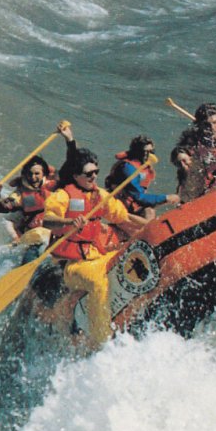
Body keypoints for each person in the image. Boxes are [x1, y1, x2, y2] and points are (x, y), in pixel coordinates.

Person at [43, 147, 146, 348]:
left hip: (95, 257)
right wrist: (68, 222)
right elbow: (47, 221)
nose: (94, 176)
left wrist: (150, 226)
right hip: (72, 265)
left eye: (96, 172)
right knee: (98, 282)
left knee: (125, 256)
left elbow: (124, 217)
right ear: (75, 176)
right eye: (89, 174)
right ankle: (102, 340)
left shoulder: (101, 195)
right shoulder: (63, 196)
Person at [0, 155, 57, 263]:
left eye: (37, 174)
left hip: (55, 233)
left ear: (44, 174)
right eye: (30, 174)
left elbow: (73, 169)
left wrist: (70, 141)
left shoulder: (54, 185)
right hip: (35, 238)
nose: (33, 178)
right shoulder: (19, 195)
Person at [105, 135, 180, 219]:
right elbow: (139, 197)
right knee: (149, 212)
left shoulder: (144, 166)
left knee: (150, 211)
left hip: (131, 203)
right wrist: (165, 198)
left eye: (151, 152)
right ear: (136, 152)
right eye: (144, 152)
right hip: (117, 205)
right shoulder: (128, 168)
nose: (147, 155)